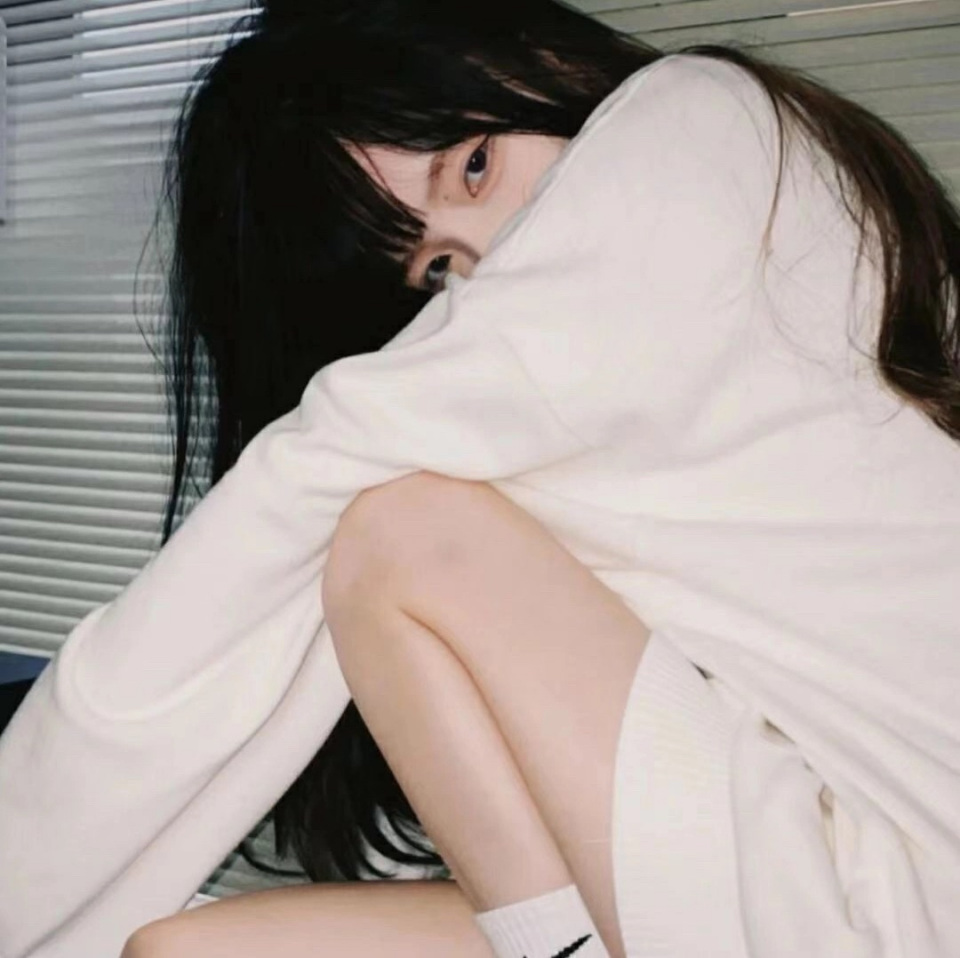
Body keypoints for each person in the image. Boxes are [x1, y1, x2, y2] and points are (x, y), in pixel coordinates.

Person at [0, 1, 958, 956]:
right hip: (809, 837)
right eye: (436, 271)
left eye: (473, 166)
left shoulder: (699, 124)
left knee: (400, 534)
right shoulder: (567, 399)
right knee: (181, 951)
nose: (492, 261)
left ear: (537, 55)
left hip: (916, 884)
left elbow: (275, 514)